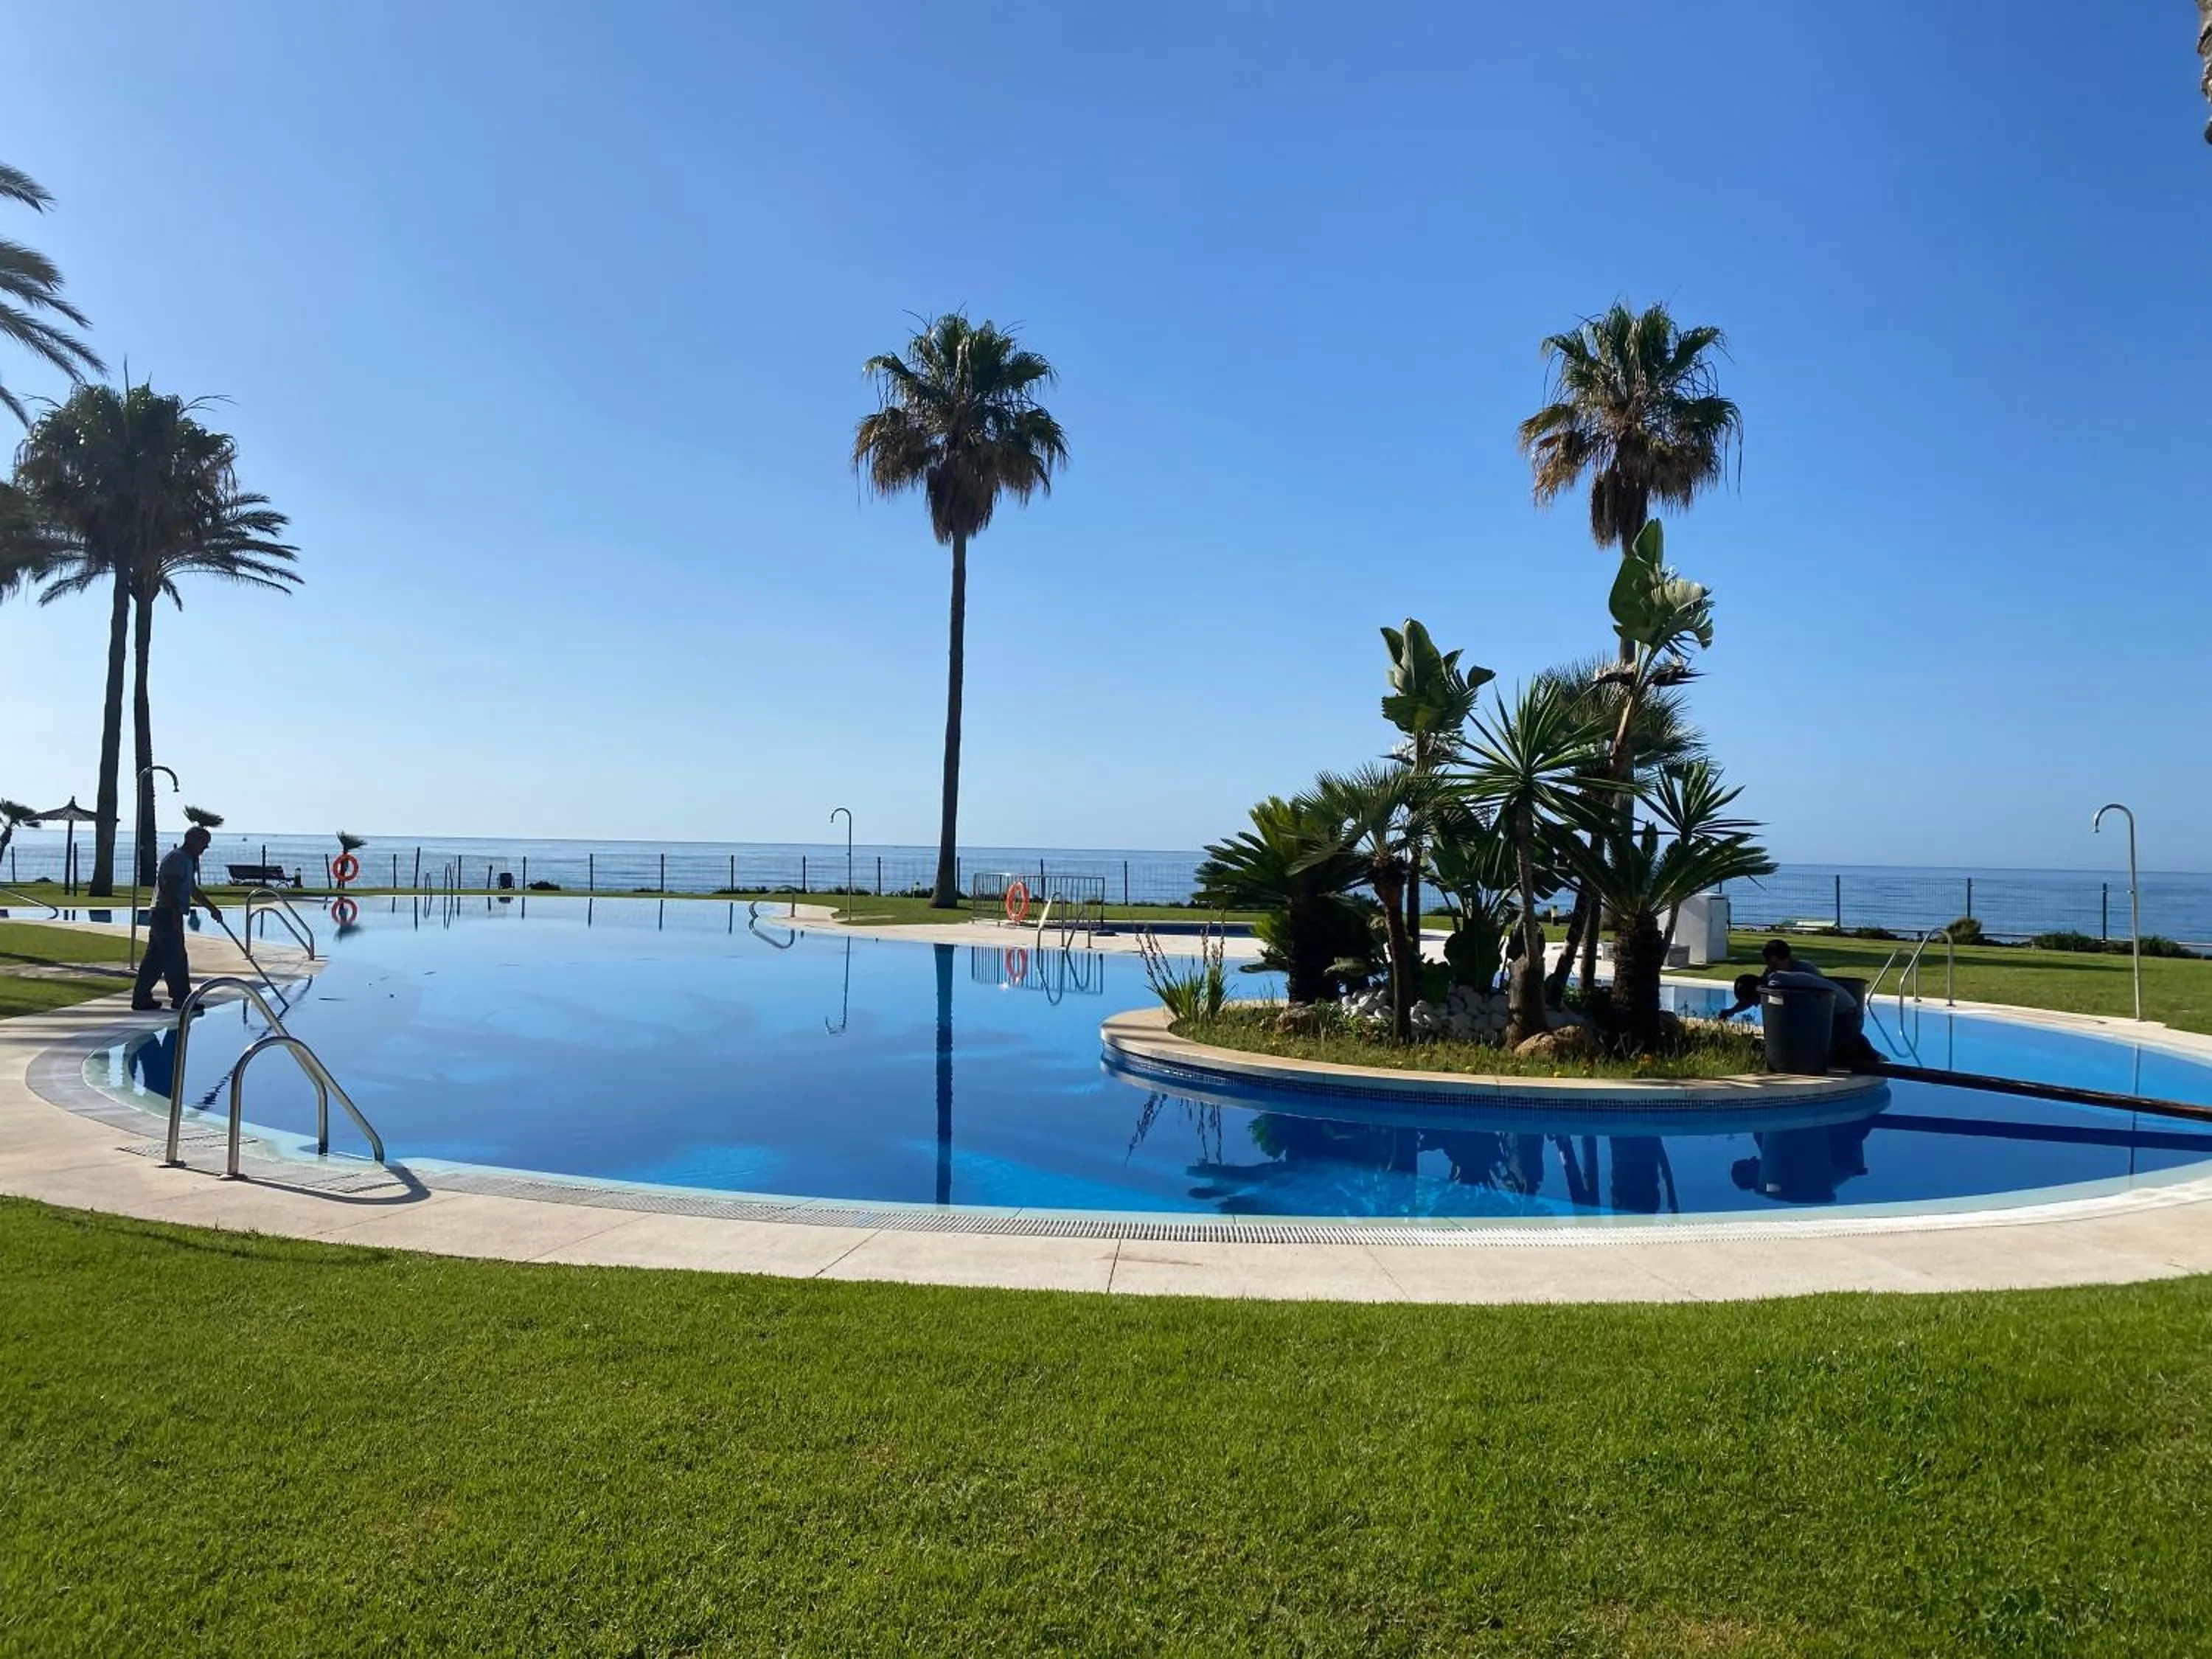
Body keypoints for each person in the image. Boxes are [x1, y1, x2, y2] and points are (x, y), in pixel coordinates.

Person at [1719, 939, 1879, 1068]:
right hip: (1829, 1013)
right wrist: (1732, 1011)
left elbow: (1818, 999)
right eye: (1768, 964)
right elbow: (1757, 994)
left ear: (1786, 958)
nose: (1770, 968)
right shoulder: (1773, 977)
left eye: (1774, 964)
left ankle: (1862, 1047)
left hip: (1840, 1014)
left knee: (1820, 1056)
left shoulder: (1790, 975)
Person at [131, 825, 222, 1012]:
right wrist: (174, 913)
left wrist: (212, 909)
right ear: (193, 841)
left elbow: (192, 890)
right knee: (176, 957)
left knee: (155, 959)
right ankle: (181, 998)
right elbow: (169, 886)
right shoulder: (177, 858)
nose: (205, 848)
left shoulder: (187, 860)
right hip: (165, 912)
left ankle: (142, 998)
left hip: (165, 912)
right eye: (204, 844)